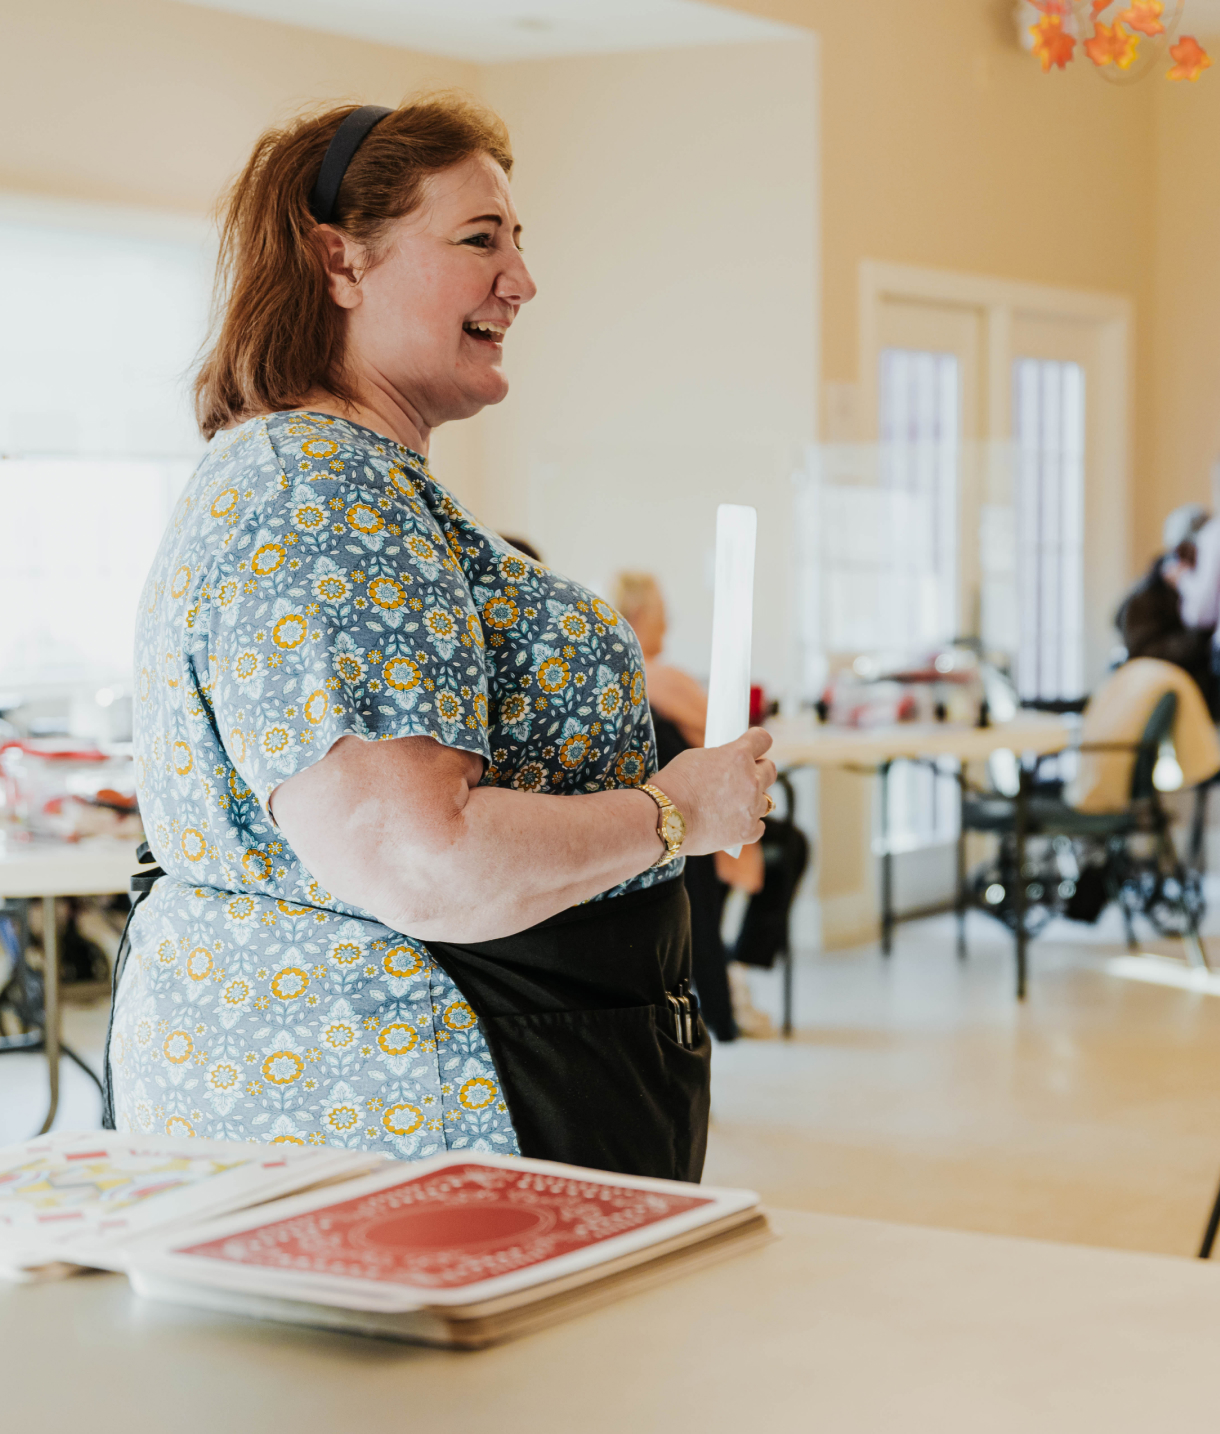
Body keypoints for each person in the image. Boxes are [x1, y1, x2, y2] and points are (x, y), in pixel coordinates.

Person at [106, 98, 774, 1182]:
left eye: (517, 241)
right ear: (338, 261)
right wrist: (677, 811)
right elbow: (426, 861)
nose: (521, 278)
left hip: (417, 1087)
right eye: (479, 239)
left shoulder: (341, 483)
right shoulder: (319, 498)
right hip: (399, 1105)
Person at [611, 572, 773, 1040]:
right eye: (664, 613)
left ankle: (729, 972)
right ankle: (736, 965)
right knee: (792, 846)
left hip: (664, 820)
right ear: (642, 615)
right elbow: (730, 735)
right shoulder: (663, 677)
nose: (671, 622)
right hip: (694, 820)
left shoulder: (621, 678)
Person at [1121, 503, 1217, 715]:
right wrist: (1200, 637)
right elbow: (1144, 654)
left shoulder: (1203, 592)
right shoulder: (1148, 596)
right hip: (1162, 704)